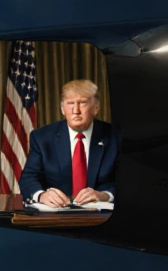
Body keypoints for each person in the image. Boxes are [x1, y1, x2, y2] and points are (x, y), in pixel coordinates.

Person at [18, 79, 120, 207]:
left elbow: (127, 180)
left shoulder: (115, 137)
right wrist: (41, 195)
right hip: (56, 215)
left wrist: (104, 195)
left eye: (82, 103)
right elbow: (28, 178)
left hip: (101, 216)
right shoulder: (42, 138)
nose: (75, 110)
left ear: (95, 108)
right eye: (70, 103)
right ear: (62, 109)